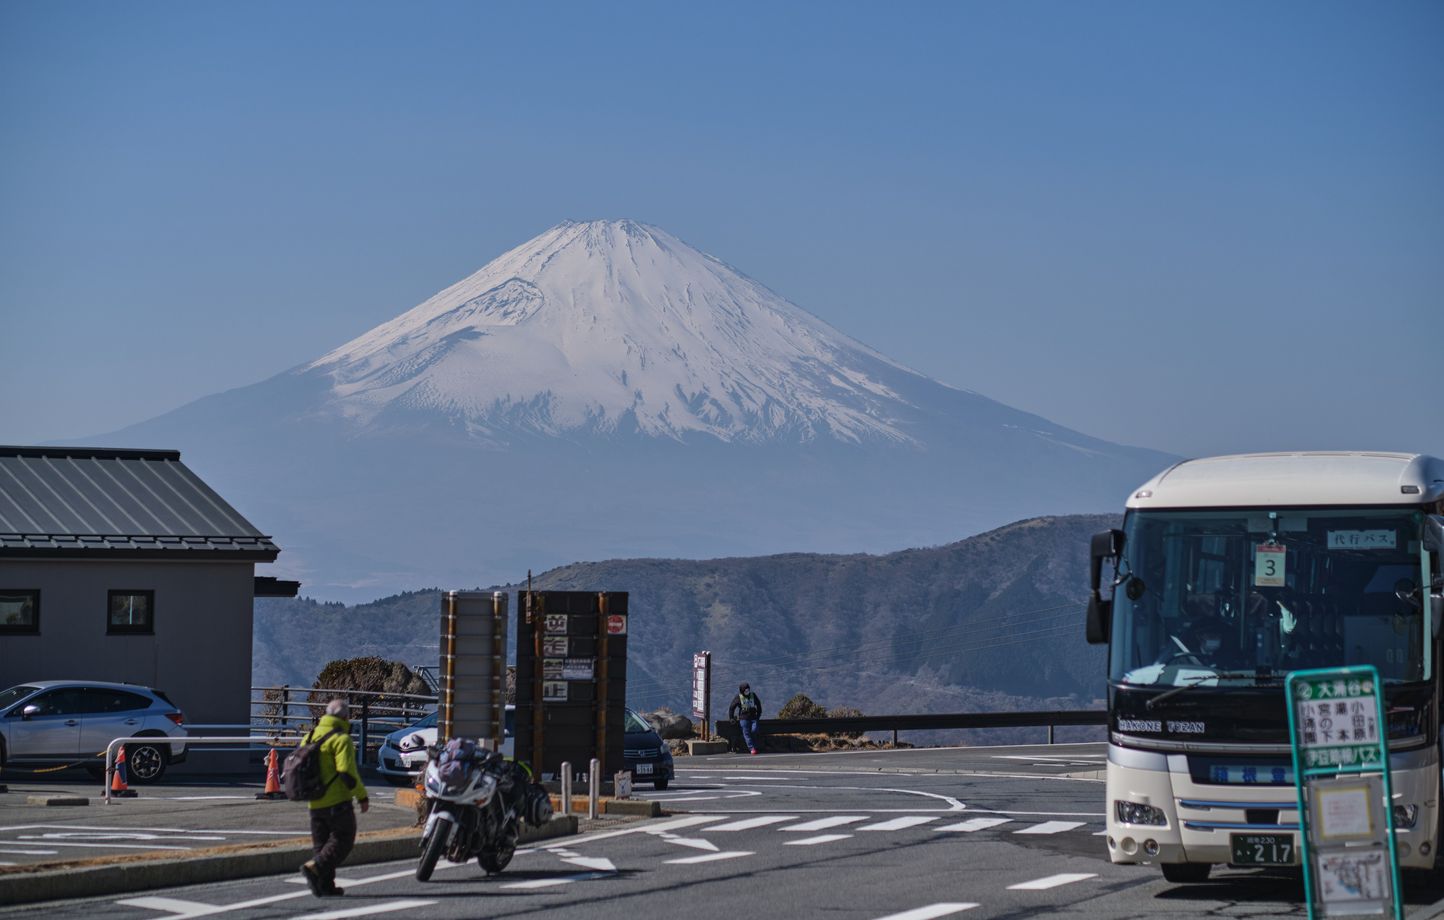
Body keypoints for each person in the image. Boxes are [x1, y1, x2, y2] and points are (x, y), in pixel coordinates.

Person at [300, 698, 370, 898]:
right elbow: (347, 772)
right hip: (337, 801)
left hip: (314, 801)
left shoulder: (310, 736)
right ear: (345, 717)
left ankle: (325, 886)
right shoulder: (341, 739)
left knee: (322, 845)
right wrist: (362, 796)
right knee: (343, 839)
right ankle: (316, 866)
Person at [728, 682, 762, 755]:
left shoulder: (753, 695)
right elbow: (732, 707)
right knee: (746, 734)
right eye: (745, 690)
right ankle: (752, 748)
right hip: (743, 718)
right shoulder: (738, 697)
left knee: (754, 730)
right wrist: (731, 717)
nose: (747, 691)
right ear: (742, 691)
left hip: (753, 717)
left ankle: (754, 746)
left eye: (748, 690)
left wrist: (758, 715)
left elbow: (758, 705)